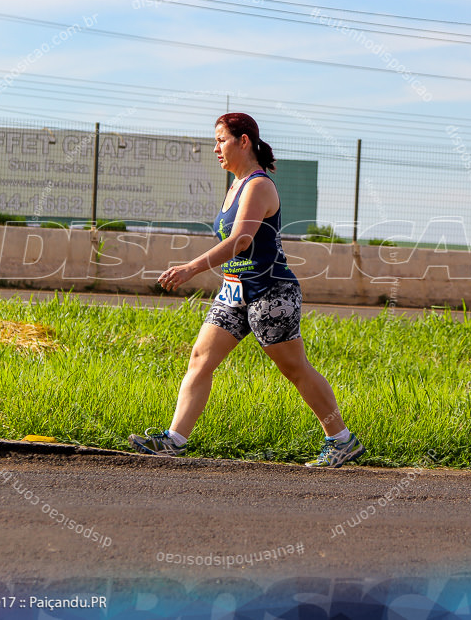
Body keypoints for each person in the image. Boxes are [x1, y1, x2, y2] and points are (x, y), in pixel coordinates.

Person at [128, 113, 365, 468]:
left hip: (271, 291)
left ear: (243, 141)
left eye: (221, 140)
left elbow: (240, 241)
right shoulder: (235, 186)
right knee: (200, 359)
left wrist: (191, 267)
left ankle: (341, 440)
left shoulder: (258, 185)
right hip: (234, 292)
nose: (215, 149)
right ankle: (173, 440)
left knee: (295, 369)